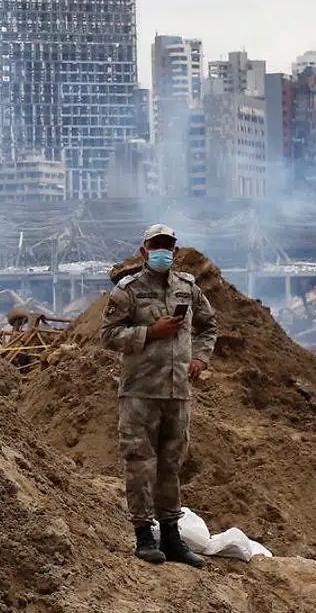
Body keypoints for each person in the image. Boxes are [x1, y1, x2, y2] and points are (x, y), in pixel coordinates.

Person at [99, 223, 218, 567]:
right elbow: (108, 335)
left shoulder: (187, 288)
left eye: (168, 246)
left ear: (175, 251)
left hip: (178, 391)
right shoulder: (128, 290)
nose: (162, 251)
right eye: (156, 246)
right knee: (139, 463)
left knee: (171, 464)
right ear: (143, 251)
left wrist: (200, 357)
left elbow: (209, 324)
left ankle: (171, 537)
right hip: (140, 391)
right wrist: (151, 332)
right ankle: (142, 536)